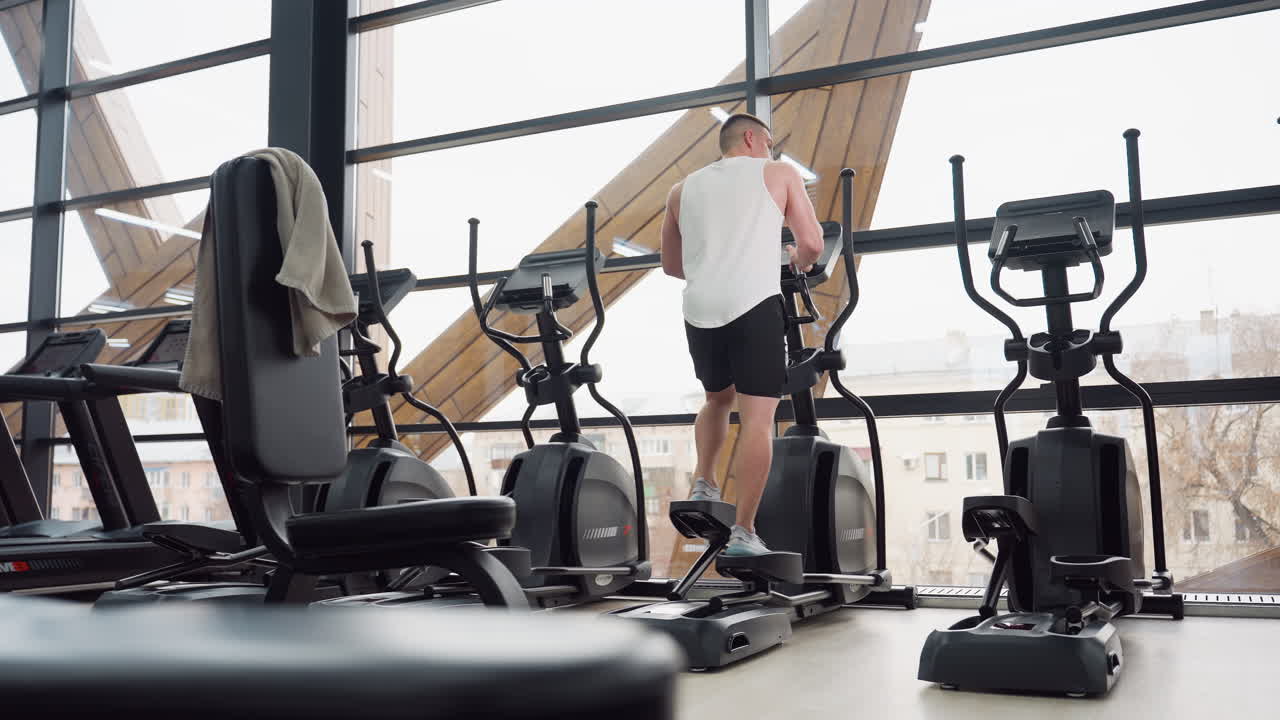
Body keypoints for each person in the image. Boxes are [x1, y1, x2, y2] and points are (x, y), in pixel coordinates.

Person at [659, 113, 824, 556]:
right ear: (752, 138)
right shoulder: (779, 172)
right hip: (753, 304)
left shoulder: (680, 189)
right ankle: (745, 532)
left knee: (716, 400)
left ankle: (704, 481)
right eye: (768, 143)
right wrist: (799, 259)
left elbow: (671, 265)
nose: (770, 151)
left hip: (700, 309)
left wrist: (716, 267)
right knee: (757, 419)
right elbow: (812, 243)